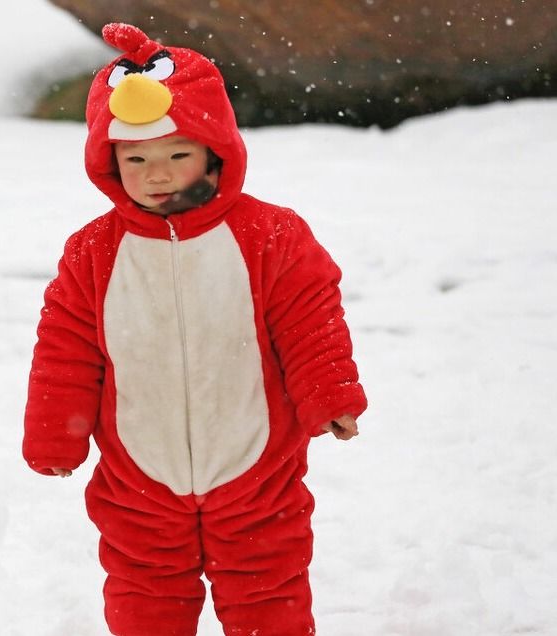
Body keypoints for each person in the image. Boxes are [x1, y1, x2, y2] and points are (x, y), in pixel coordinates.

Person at [22, 22, 367, 636]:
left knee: (269, 586)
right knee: (143, 590)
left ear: (214, 151)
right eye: (136, 159)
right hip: (138, 474)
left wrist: (330, 395)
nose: (157, 175)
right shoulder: (93, 253)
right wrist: (55, 435)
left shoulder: (270, 235)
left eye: (177, 156)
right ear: (109, 161)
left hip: (256, 466)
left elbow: (309, 319)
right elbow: (66, 351)